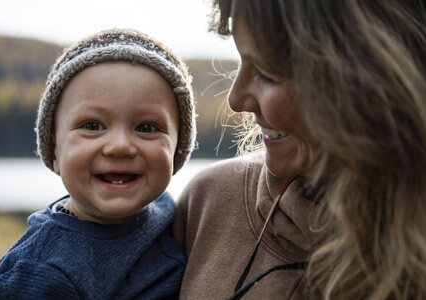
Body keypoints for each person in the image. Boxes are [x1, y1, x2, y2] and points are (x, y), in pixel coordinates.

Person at [174, 0, 426, 299]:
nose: (236, 100)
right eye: (240, 60)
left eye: (267, 72)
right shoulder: (208, 203)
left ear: (372, 80)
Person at [0, 28, 196, 299]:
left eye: (147, 127)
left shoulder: (169, 210)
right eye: (92, 126)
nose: (120, 146)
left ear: (177, 149)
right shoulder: (41, 271)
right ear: (54, 150)